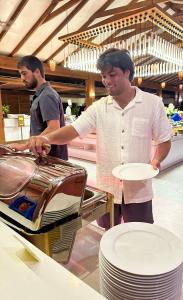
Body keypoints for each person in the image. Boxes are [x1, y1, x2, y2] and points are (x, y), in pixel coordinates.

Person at [28, 48, 172, 229]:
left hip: (139, 188)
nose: (106, 81)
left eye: (112, 74)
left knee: (140, 233)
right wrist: (46, 139)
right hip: (108, 188)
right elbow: (72, 130)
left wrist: (157, 160)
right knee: (107, 231)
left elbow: (164, 140)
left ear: (127, 72)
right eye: (104, 76)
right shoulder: (99, 107)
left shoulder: (152, 103)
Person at [9, 55, 68, 160]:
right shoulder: (41, 95)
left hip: (51, 159)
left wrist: (23, 146)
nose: (22, 79)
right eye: (21, 75)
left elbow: (54, 127)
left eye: (24, 73)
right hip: (44, 157)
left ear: (37, 72)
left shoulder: (47, 95)